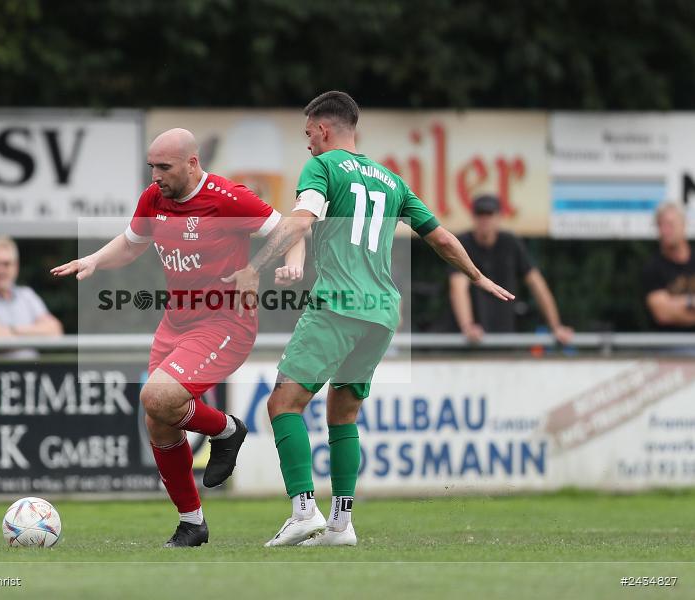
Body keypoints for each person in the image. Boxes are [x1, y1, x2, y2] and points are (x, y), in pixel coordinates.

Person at [222, 91, 513, 547]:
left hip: (338, 304)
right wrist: (477, 275)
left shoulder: (322, 167)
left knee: (283, 403)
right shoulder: (391, 180)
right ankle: (341, 525)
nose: (308, 145)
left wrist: (252, 269)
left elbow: (300, 223)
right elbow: (440, 238)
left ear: (322, 128)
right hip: (382, 312)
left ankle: (303, 511)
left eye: (308, 135)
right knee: (343, 412)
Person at [51, 128, 303, 547]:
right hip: (176, 323)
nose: (156, 176)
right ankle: (192, 524)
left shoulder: (227, 197)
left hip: (225, 325)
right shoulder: (155, 198)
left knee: (157, 398)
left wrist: (266, 267)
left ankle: (225, 430)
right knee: (158, 416)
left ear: (192, 163)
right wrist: (93, 260)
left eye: (164, 167)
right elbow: (131, 245)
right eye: (152, 167)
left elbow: (293, 229)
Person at [449, 193, 574, 344]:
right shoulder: (462, 243)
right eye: (480, 214)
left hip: (505, 334)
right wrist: (468, 326)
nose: (484, 220)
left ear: (499, 217)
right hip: (468, 339)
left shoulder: (510, 242)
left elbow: (537, 283)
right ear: (473, 217)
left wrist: (556, 326)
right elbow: (458, 288)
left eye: (489, 214)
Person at [0, 235, 63, 359]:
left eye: (6, 264)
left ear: (16, 266)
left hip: (31, 374)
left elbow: (55, 332)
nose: (0, 270)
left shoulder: (26, 295)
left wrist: (12, 331)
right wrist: (36, 333)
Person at [643, 202, 695, 330]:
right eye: (661, 225)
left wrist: (676, 304)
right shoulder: (653, 268)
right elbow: (663, 314)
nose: (665, 231)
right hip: (667, 346)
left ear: (683, 225)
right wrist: (690, 301)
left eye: (670, 225)